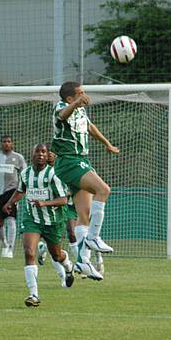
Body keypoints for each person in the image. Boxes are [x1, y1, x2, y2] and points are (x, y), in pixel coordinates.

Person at [50, 82, 119, 279]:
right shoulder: (61, 107)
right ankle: (94, 238)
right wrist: (77, 103)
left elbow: (90, 127)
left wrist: (107, 144)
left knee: (84, 214)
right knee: (103, 190)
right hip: (69, 161)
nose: (85, 96)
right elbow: (62, 116)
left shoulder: (80, 111)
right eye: (80, 94)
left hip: (80, 160)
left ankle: (83, 261)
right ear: (70, 98)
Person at [3, 144, 74, 307]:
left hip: (53, 221)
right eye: (38, 151)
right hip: (32, 219)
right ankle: (33, 294)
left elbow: (63, 200)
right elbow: (21, 190)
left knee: (57, 255)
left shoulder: (53, 174)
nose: (41, 154)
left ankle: (68, 265)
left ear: (47, 155)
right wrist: (9, 202)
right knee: (29, 253)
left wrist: (45, 203)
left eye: (44, 152)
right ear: (32, 154)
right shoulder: (25, 173)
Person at [37, 145, 104, 280]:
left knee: (89, 234)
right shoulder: (50, 172)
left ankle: (98, 260)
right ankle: (83, 264)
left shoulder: (80, 167)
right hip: (65, 206)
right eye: (47, 153)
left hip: (79, 203)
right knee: (71, 233)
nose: (49, 155)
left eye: (52, 153)